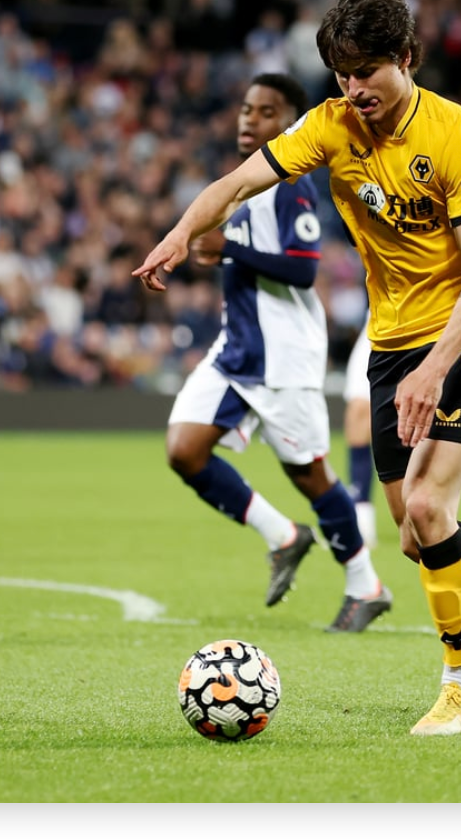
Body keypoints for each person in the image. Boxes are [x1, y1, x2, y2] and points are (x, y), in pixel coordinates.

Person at [134, 0, 461, 736]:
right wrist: (182, 233)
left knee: (428, 508)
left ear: (405, 59)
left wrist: (436, 365)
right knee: (417, 537)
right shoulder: (332, 125)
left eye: (367, 71)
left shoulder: (457, 137)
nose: (354, 88)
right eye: (342, 74)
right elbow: (239, 182)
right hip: (390, 345)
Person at [161, 72, 393, 633]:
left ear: (288, 123)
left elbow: (304, 266)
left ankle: (367, 585)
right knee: (184, 450)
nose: (249, 119)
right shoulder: (241, 184)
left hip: (284, 356)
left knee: (311, 476)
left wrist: (230, 247)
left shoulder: (292, 185)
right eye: (246, 109)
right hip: (236, 349)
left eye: (266, 112)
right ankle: (283, 536)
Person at [343, 317, 461, 549]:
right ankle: (361, 514)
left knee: (442, 422)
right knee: (359, 411)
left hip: (436, 318)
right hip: (384, 320)